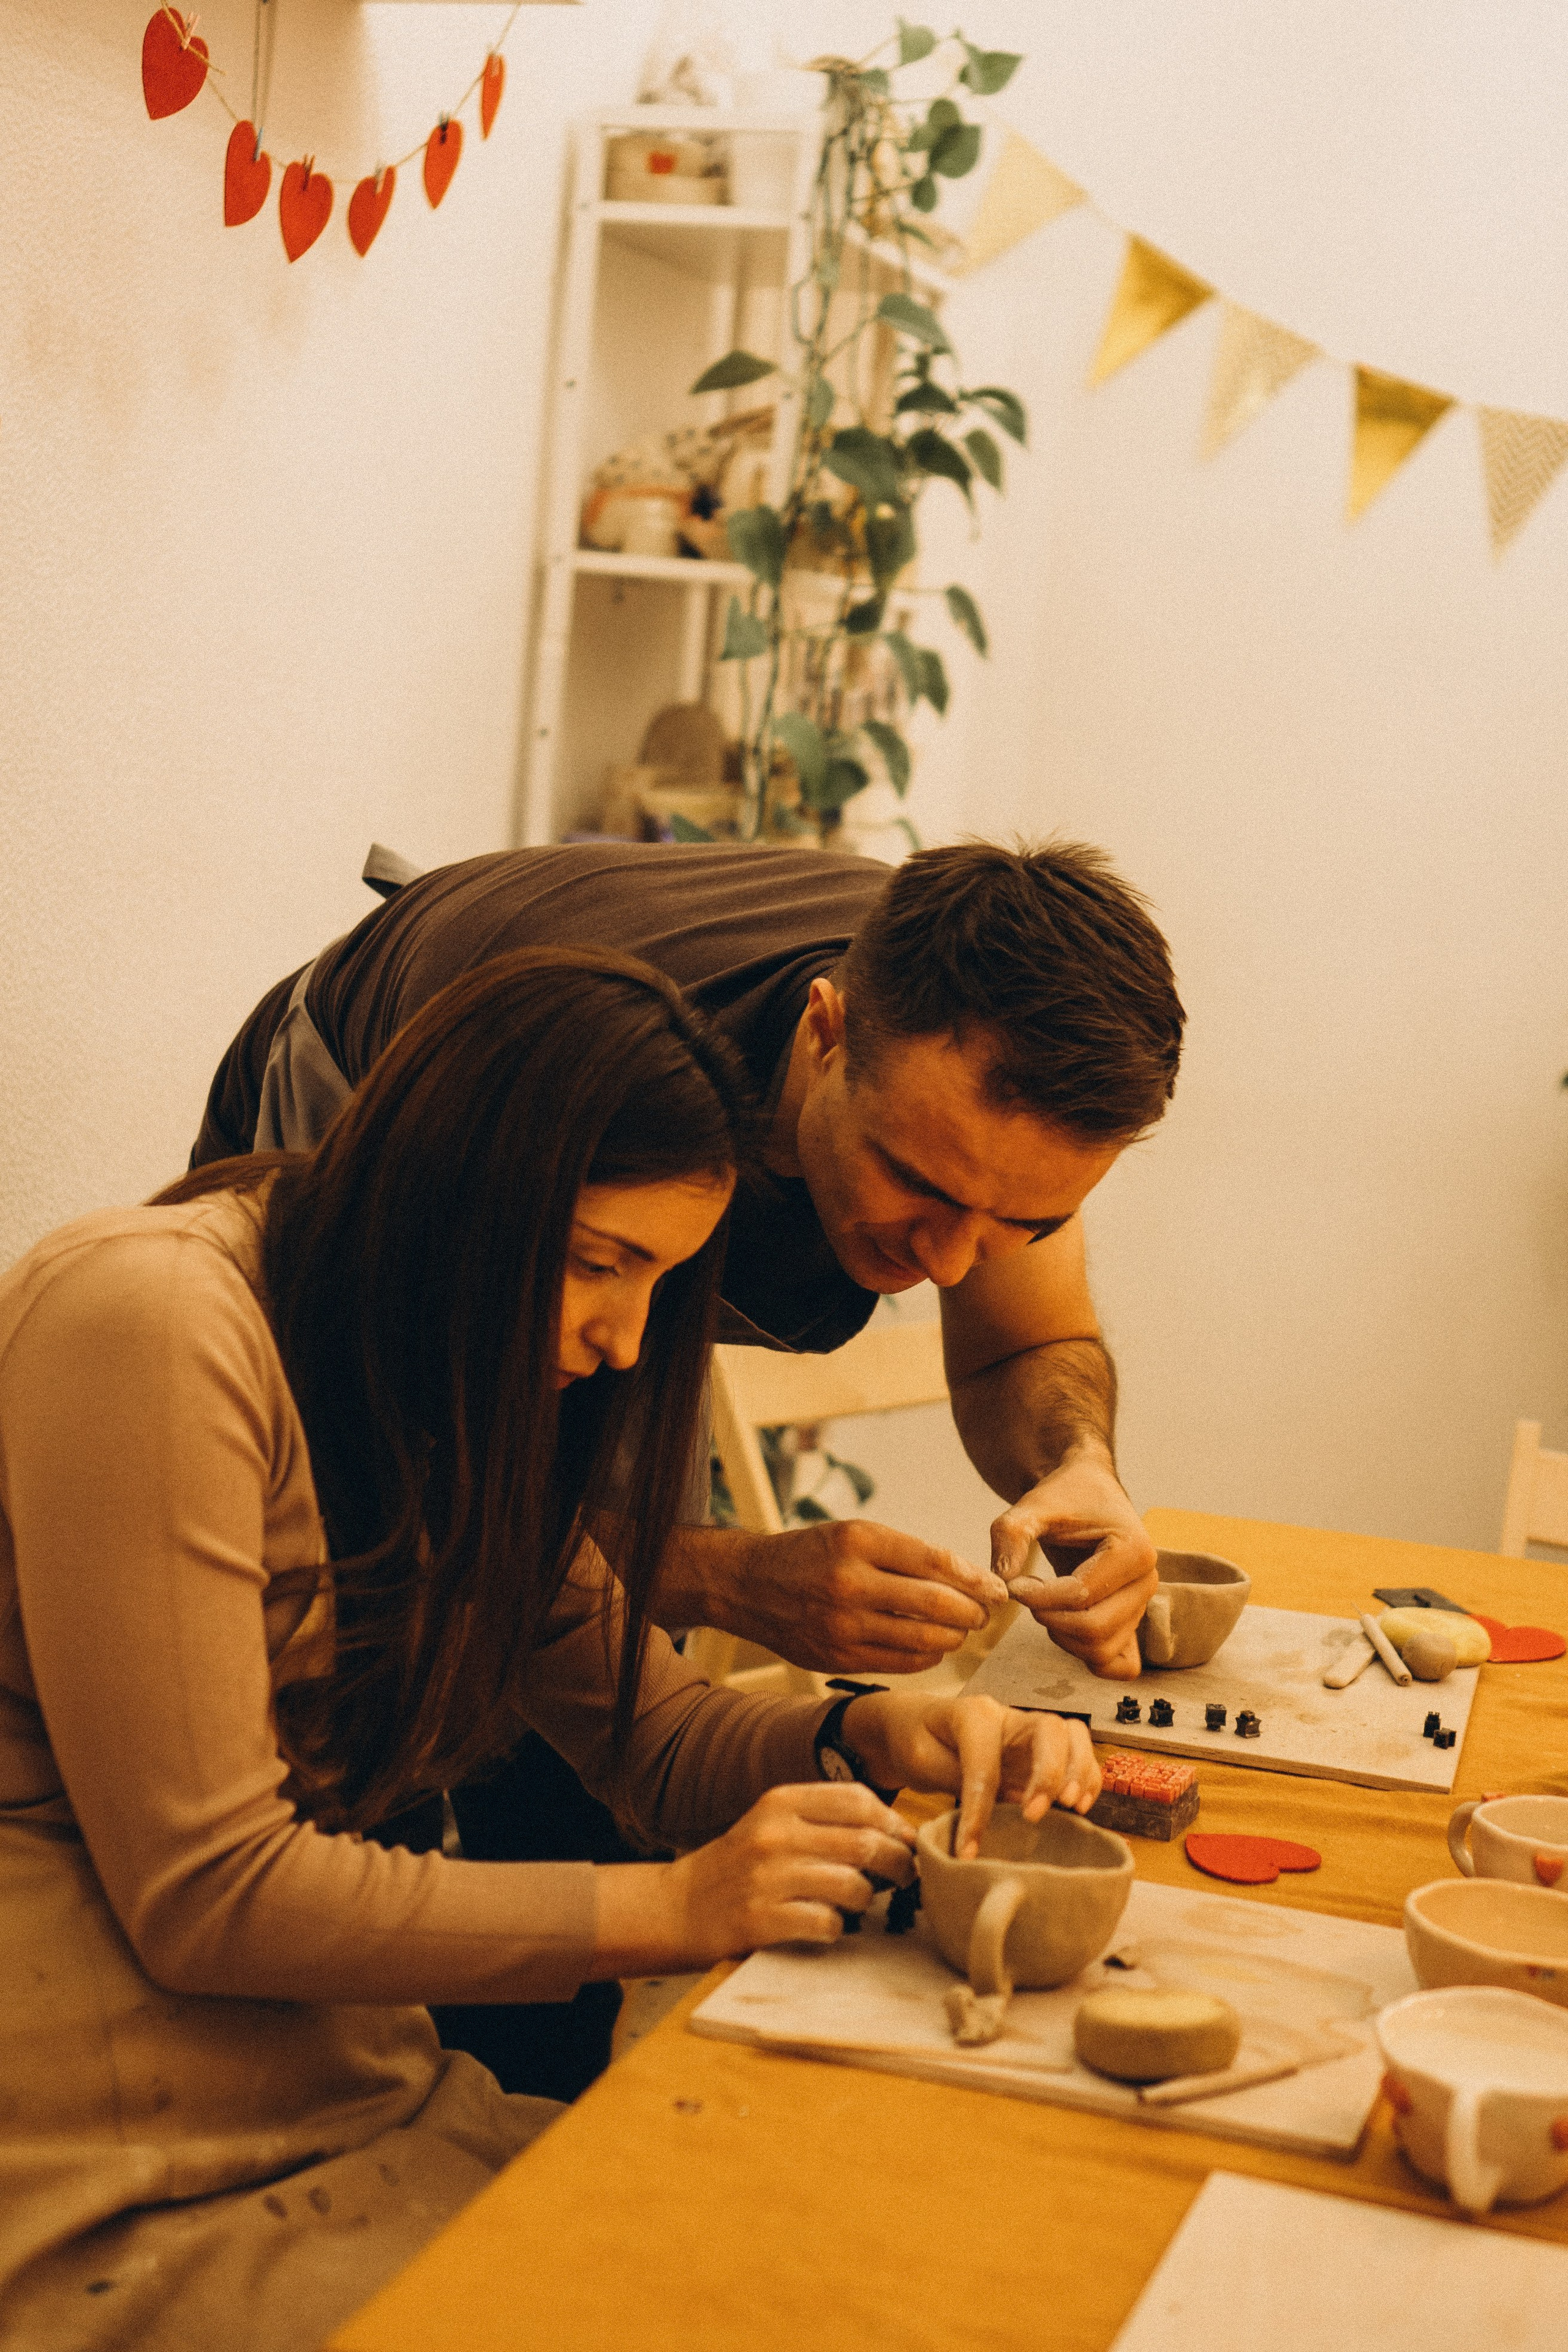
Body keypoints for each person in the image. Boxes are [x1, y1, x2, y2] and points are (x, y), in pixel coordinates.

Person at [0, 948, 1097, 2352]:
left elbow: (657, 1739)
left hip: (345, 2091)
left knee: (854, 2262)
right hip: (95, 2158)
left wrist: (864, 1738)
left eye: (657, 1282)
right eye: (599, 1263)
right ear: (453, 1197)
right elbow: (209, 1895)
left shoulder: (442, 1370)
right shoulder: (153, 1321)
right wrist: (678, 1909)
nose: (623, 1337)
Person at [195, 838, 1184, 2097]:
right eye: (919, 1188)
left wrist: (1077, 1470)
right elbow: (420, 1522)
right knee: (380, 1703)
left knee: (585, 1717)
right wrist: (718, 1579)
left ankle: (521, 2105)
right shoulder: (555, 1080)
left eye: (1019, 1224)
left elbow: (634, 1714)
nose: (953, 1265)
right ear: (825, 1036)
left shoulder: (981, 1076)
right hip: (381, 1104)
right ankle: (358, 2088)